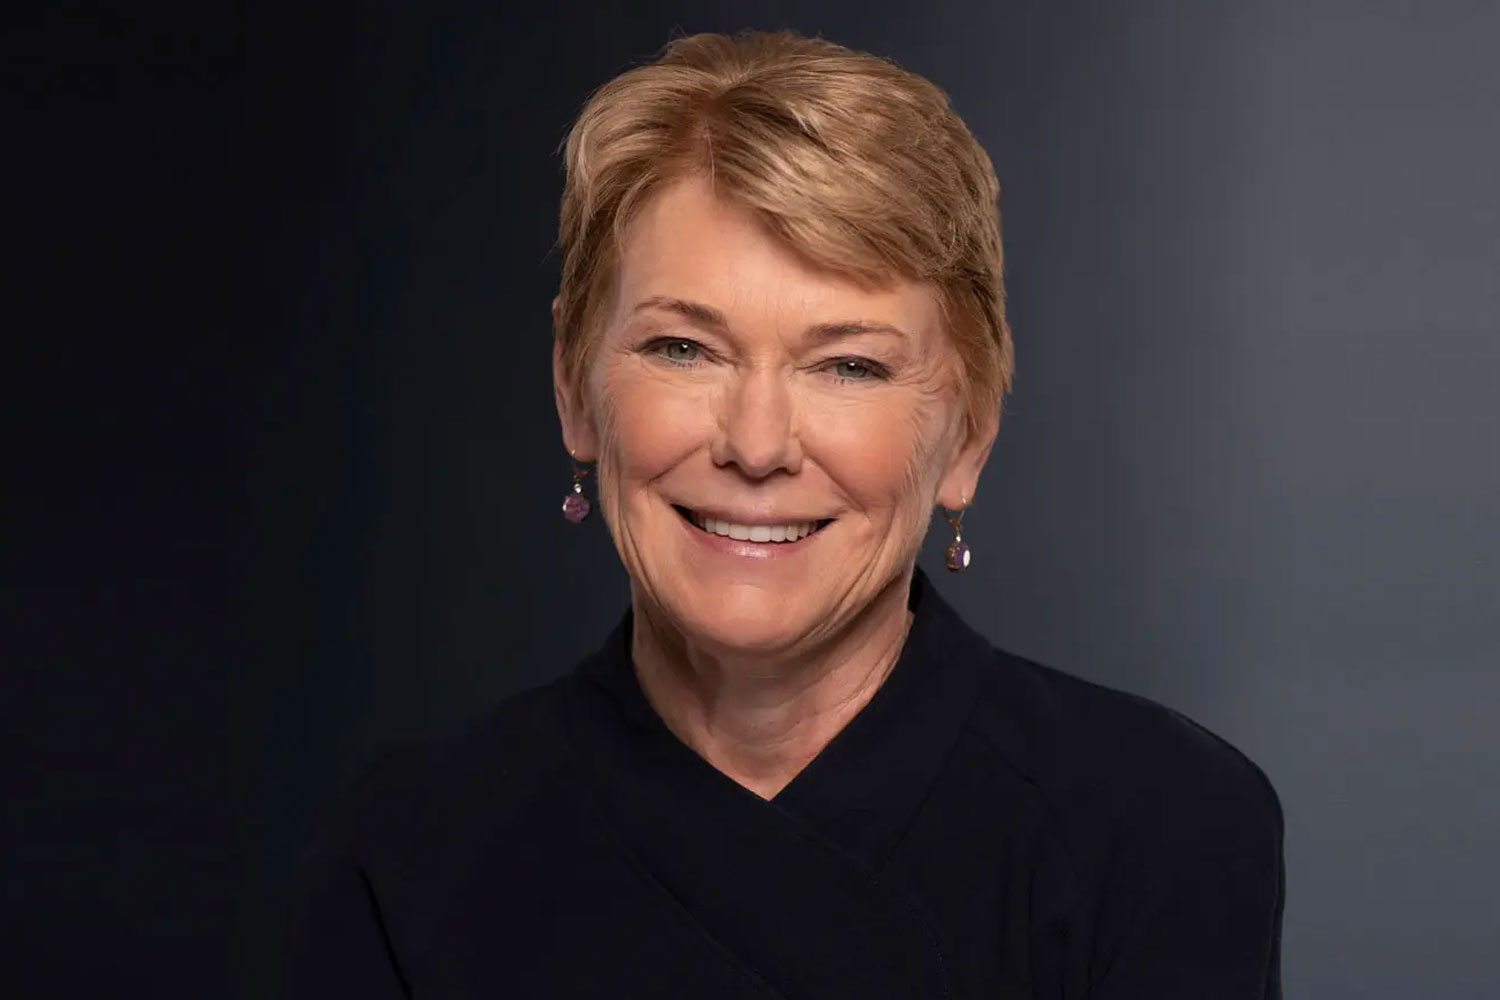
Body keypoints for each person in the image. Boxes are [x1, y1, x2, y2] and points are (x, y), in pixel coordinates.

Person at [282, 29, 1284, 998]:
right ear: (575, 388)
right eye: (685, 348)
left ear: (968, 434)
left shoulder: (1163, 827)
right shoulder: (408, 852)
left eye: (848, 364)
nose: (756, 445)